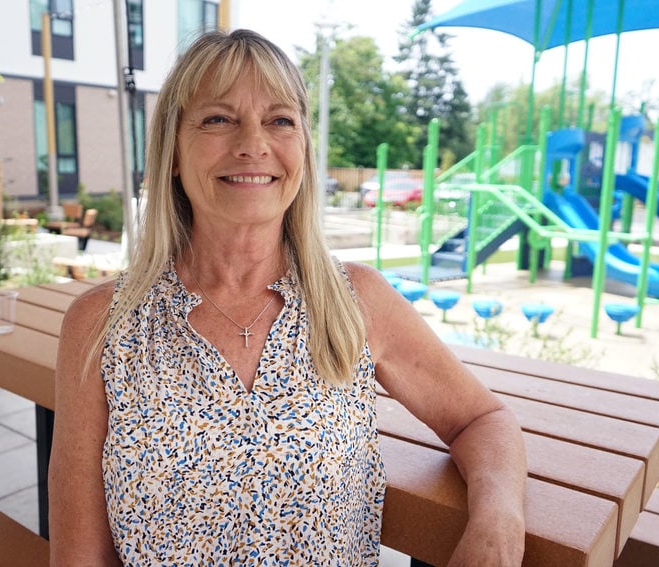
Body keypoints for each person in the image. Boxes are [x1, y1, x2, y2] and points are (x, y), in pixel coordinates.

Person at [48, 29, 526, 566]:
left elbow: (482, 420)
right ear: (173, 153)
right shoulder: (101, 326)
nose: (253, 143)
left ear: (302, 149)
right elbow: (79, 558)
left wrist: (498, 519)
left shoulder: (356, 300)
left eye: (280, 120)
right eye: (218, 119)